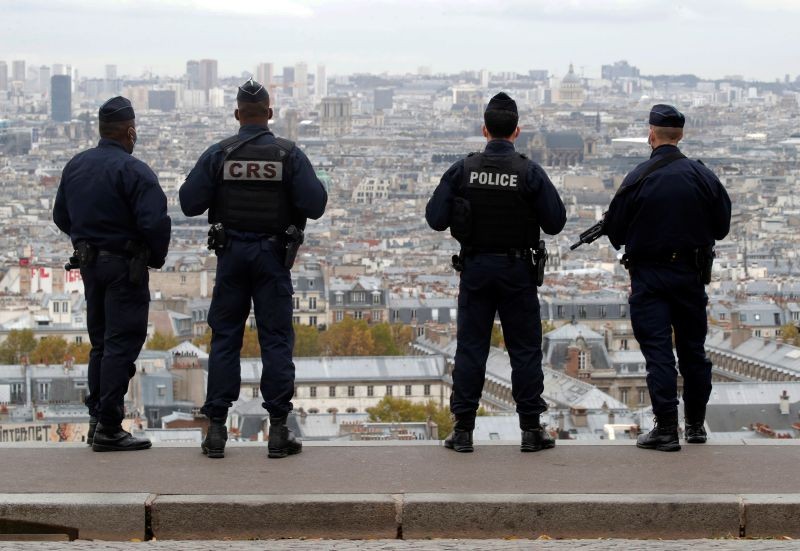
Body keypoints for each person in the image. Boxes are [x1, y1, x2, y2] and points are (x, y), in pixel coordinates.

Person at [180, 79, 327, 459]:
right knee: (275, 340)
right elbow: (315, 204)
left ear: (236, 115)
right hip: (272, 257)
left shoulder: (220, 154)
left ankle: (215, 431)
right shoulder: (288, 155)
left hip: (231, 255)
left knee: (225, 338)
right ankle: (278, 431)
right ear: (270, 114)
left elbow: (189, 203)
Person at [425, 92, 566, 453]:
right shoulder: (529, 171)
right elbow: (555, 222)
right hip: (517, 269)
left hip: (475, 267)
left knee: (472, 348)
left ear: (484, 129)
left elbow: (435, 219)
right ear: (517, 131)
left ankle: (463, 430)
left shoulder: (463, 169)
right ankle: (532, 429)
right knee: (524, 350)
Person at [603, 104, 731, 451]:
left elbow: (615, 231)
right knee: (693, 351)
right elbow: (721, 228)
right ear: (681, 135)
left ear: (651, 134)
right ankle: (695, 426)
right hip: (690, 275)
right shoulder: (704, 177)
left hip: (650, 276)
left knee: (659, 353)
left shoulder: (637, 178)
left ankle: (666, 428)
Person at [53, 96, 171, 452]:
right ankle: (109, 425)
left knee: (101, 343)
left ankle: (95, 418)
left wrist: (86, 238)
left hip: (89, 264)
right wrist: (153, 256)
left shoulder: (76, 166)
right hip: (124, 268)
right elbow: (155, 223)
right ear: (130, 131)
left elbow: (61, 215)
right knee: (121, 343)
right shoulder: (135, 172)